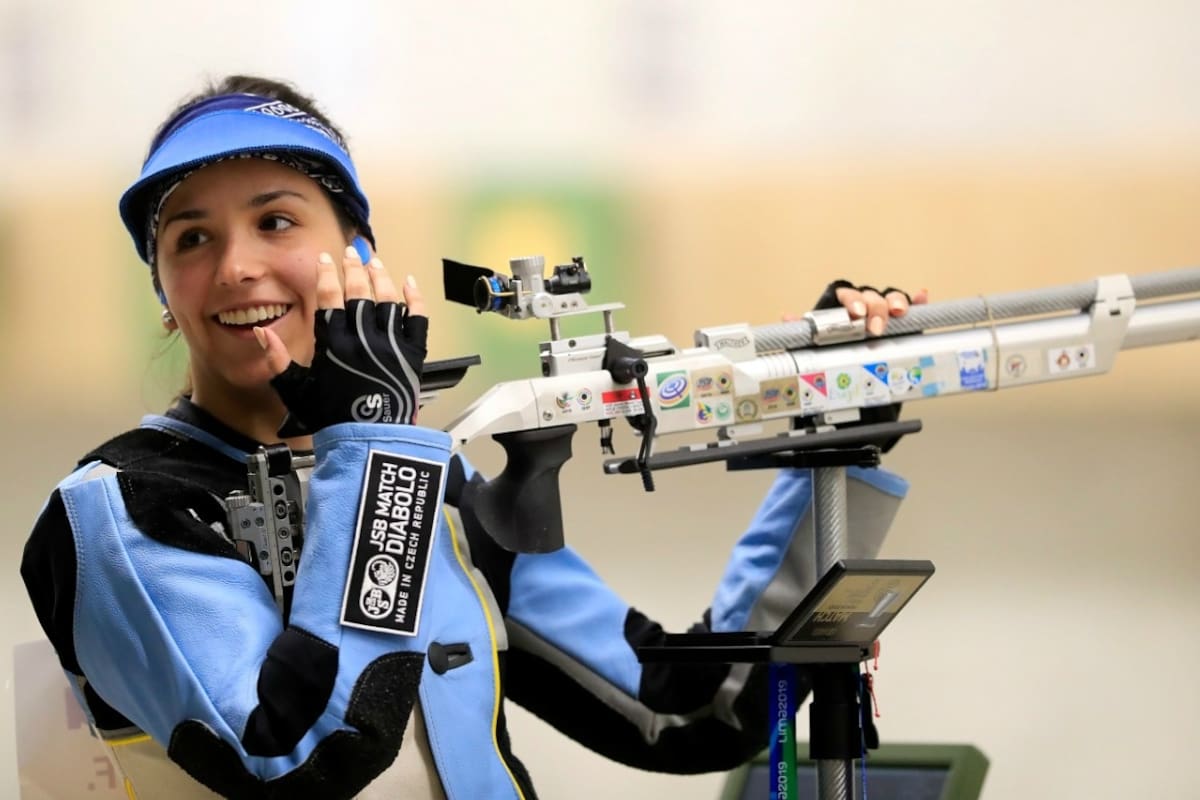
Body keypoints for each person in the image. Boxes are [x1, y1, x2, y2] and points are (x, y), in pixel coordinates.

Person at [20, 75, 923, 800]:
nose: (237, 265)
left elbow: (689, 711)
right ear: (164, 295)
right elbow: (294, 762)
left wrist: (830, 430)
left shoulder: (435, 481)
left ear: (358, 261)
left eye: (277, 220)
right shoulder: (118, 509)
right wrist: (374, 445)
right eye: (190, 238)